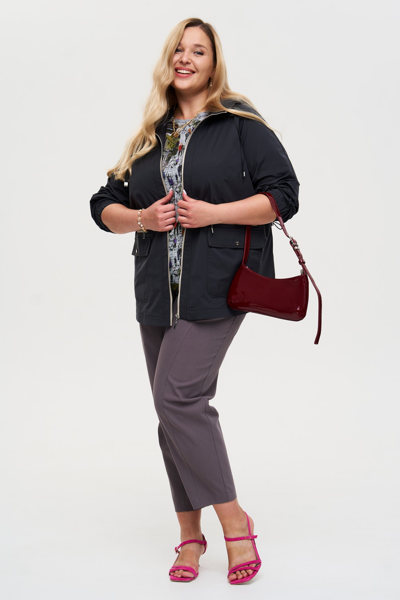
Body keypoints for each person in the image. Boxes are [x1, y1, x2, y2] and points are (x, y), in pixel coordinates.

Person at [90, 17, 299, 585]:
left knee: (176, 397)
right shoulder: (150, 134)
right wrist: (141, 218)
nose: (186, 58)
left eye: (198, 51)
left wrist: (213, 213)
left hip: (220, 284)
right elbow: (102, 204)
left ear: (213, 64)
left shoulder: (240, 124)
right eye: (178, 50)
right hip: (158, 291)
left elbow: (284, 195)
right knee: (171, 410)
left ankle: (234, 521)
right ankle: (189, 535)